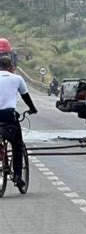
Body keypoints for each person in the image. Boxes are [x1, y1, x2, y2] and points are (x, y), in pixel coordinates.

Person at [0, 55, 38, 188]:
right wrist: (33, 109)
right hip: (9, 116)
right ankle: (17, 176)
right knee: (17, 145)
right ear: (11, 67)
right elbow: (25, 96)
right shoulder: (17, 79)